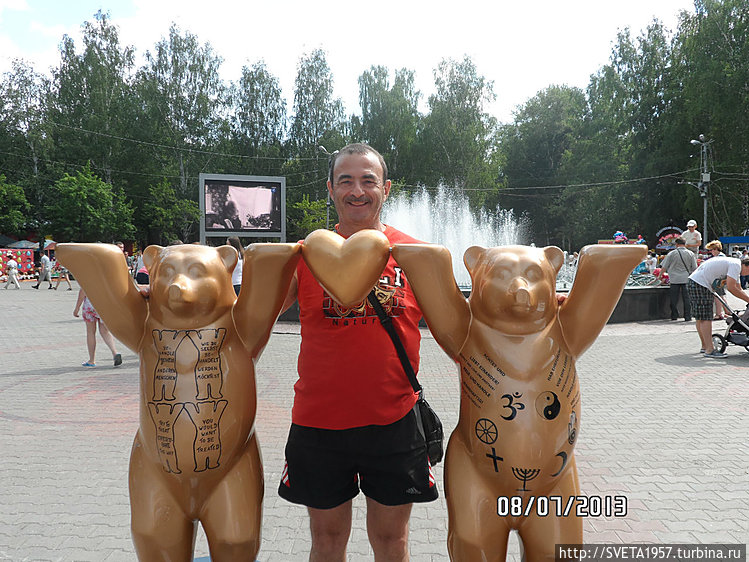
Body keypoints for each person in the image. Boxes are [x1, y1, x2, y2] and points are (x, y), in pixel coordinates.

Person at [277, 143, 436, 561]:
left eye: (368, 180)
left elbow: (465, 324)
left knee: (391, 540)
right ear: (330, 188)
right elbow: (247, 317)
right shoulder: (305, 255)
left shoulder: (413, 254)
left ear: (386, 188)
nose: (357, 191)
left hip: (394, 423)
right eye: (345, 181)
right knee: (327, 540)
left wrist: (548, 309)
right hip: (319, 423)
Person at [687, 254, 749, 357]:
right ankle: (710, 350)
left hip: (697, 282)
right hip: (701, 284)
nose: (747, 275)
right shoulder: (736, 265)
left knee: (700, 317)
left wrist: (746, 299)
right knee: (706, 318)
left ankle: (705, 346)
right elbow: (731, 288)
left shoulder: (735, 264)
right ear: (747, 266)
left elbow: (738, 288)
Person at [73, 288, 122, 368]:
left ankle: (91, 360)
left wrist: (77, 308)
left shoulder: (88, 280)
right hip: (103, 306)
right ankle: (115, 352)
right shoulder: (104, 280)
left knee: (91, 333)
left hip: (89, 306)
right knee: (105, 332)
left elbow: (83, 292)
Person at [657, 238, 697, 321]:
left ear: (676, 244)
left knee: (673, 298)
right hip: (686, 278)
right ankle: (688, 316)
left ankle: (674, 315)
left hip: (674, 279)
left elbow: (664, 267)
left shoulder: (671, 254)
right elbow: (694, 268)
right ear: (685, 244)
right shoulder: (690, 253)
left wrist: (660, 275)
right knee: (687, 299)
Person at [704, 240, 730, 320]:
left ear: (715, 249)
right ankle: (727, 311)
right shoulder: (721, 256)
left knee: (717, 296)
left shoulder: (719, 257)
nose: (711, 252)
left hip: (718, 279)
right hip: (721, 278)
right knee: (721, 295)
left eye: (711, 250)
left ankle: (718, 313)